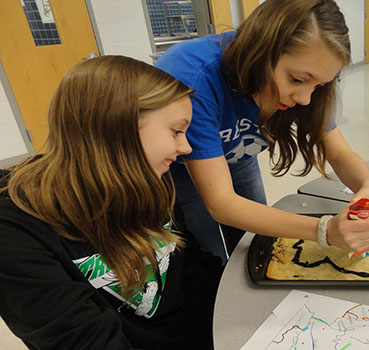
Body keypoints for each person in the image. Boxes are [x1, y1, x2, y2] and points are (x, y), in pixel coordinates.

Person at [0, 56, 223, 349]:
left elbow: (189, 262)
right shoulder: (16, 226)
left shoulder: (149, 173)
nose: (185, 147)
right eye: (176, 131)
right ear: (120, 128)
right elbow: (80, 338)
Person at [155, 0, 369, 264]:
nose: (305, 99)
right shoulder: (194, 76)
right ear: (260, 52)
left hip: (239, 157)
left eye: (319, 85)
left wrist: (367, 187)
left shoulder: (308, 81)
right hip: (178, 170)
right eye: (297, 80)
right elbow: (221, 203)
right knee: (207, 254)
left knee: (254, 243)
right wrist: (324, 230)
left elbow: (339, 152)